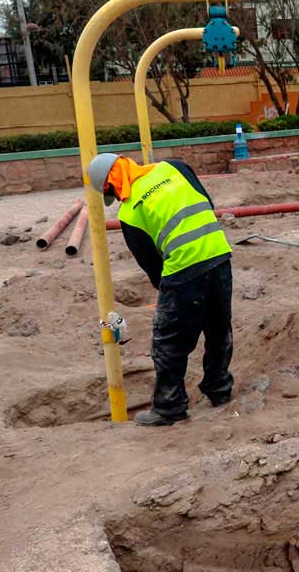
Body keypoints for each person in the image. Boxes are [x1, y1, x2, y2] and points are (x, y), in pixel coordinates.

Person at [88, 153, 234, 427]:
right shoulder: (174, 167)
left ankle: (169, 407)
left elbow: (151, 265)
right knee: (218, 329)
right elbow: (206, 202)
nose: (117, 198)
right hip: (218, 254)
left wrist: (167, 293)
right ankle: (219, 390)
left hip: (183, 271)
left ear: (111, 183)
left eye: (113, 193)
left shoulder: (130, 212)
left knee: (168, 342)